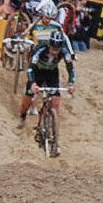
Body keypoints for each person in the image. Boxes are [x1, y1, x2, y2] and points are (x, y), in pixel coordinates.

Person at [19, 29, 75, 157]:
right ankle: (22, 115)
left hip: (52, 74)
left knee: (56, 103)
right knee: (27, 98)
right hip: (37, 72)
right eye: (53, 49)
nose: (55, 52)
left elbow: (71, 69)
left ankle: (55, 140)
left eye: (57, 50)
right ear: (49, 45)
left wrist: (71, 83)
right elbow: (30, 69)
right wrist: (32, 83)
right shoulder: (40, 50)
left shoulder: (64, 52)